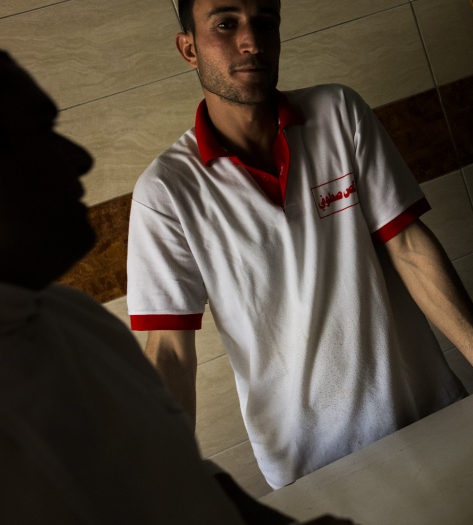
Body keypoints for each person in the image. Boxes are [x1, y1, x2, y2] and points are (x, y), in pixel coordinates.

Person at [125, 0, 473, 490]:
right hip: (313, 465)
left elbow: (408, 247)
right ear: (188, 47)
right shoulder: (167, 192)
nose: (251, 41)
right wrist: (164, 489)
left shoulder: (338, 114)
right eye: (226, 23)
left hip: (427, 409)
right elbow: (170, 354)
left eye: (266, 21)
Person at [0, 50, 354, 525]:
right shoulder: (167, 188)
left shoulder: (72, 316)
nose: (80, 159)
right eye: (38, 134)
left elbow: (182, 478)